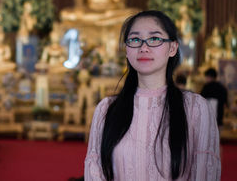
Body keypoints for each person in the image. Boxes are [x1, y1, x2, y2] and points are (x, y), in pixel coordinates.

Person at [85, 10, 220, 180]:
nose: (143, 47)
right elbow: (95, 172)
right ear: (127, 50)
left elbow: (205, 172)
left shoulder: (196, 108)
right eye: (135, 40)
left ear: (172, 48)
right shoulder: (106, 109)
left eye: (154, 39)